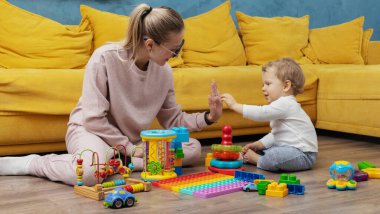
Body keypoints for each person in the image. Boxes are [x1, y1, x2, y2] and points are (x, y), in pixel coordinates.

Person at [0, 4, 223, 185]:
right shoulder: (104, 58)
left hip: (130, 143)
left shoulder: (164, 71)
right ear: (150, 44)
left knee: (192, 151)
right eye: (174, 48)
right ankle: (33, 163)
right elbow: (94, 119)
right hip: (92, 132)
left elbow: (173, 120)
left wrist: (208, 117)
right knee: (89, 173)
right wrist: (133, 149)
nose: (177, 54)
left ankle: (119, 161)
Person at [221, 58, 317, 172]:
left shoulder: (286, 103)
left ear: (286, 86)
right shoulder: (282, 106)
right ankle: (249, 156)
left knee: (274, 155)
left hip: (303, 155)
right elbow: (276, 135)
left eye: (268, 84)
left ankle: (257, 160)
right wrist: (259, 144)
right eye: (263, 84)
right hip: (290, 151)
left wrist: (235, 106)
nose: (263, 88)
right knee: (267, 149)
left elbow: (262, 113)